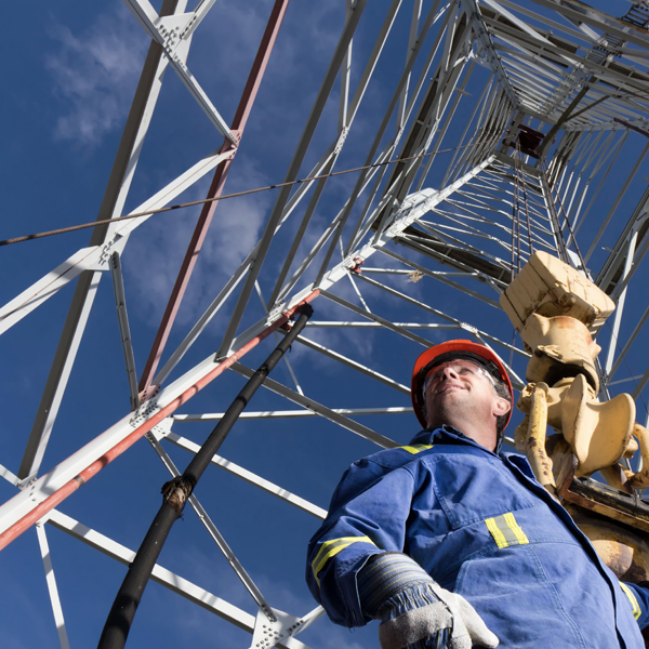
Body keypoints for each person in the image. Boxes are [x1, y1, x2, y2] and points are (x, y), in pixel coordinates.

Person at [305, 340, 649, 648]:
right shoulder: (408, 465)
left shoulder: (540, 493)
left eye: (464, 370)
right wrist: (399, 588)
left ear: (501, 404)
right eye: (434, 380)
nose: (447, 374)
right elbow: (339, 547)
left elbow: (619, 599)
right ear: (426, 413)